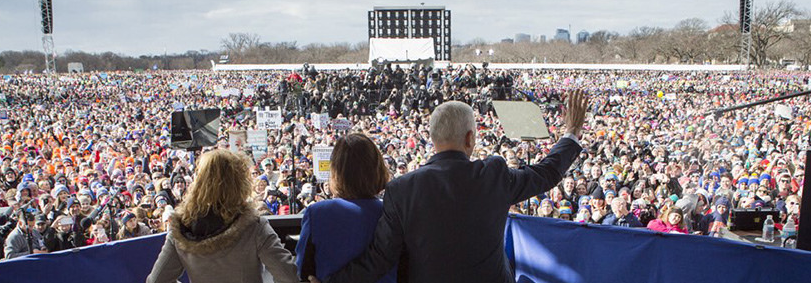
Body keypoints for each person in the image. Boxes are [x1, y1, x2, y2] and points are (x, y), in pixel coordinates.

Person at [323, 91, 588, 283]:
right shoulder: (493, 175)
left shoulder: (402, 189)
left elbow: (379, 259)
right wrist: (572, 131)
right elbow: (546, 173)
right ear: (470, 138)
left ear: (432, 138)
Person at [146, 150, 298, 283]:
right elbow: (288, 276)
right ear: (240, 183)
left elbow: (156, 280)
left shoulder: (180, 229)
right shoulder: (254, 226)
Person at [296, 133, 394, 283]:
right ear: (377, 169)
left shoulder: (317, 213)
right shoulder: (392, 212)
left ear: (336, 172)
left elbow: (303, 270)